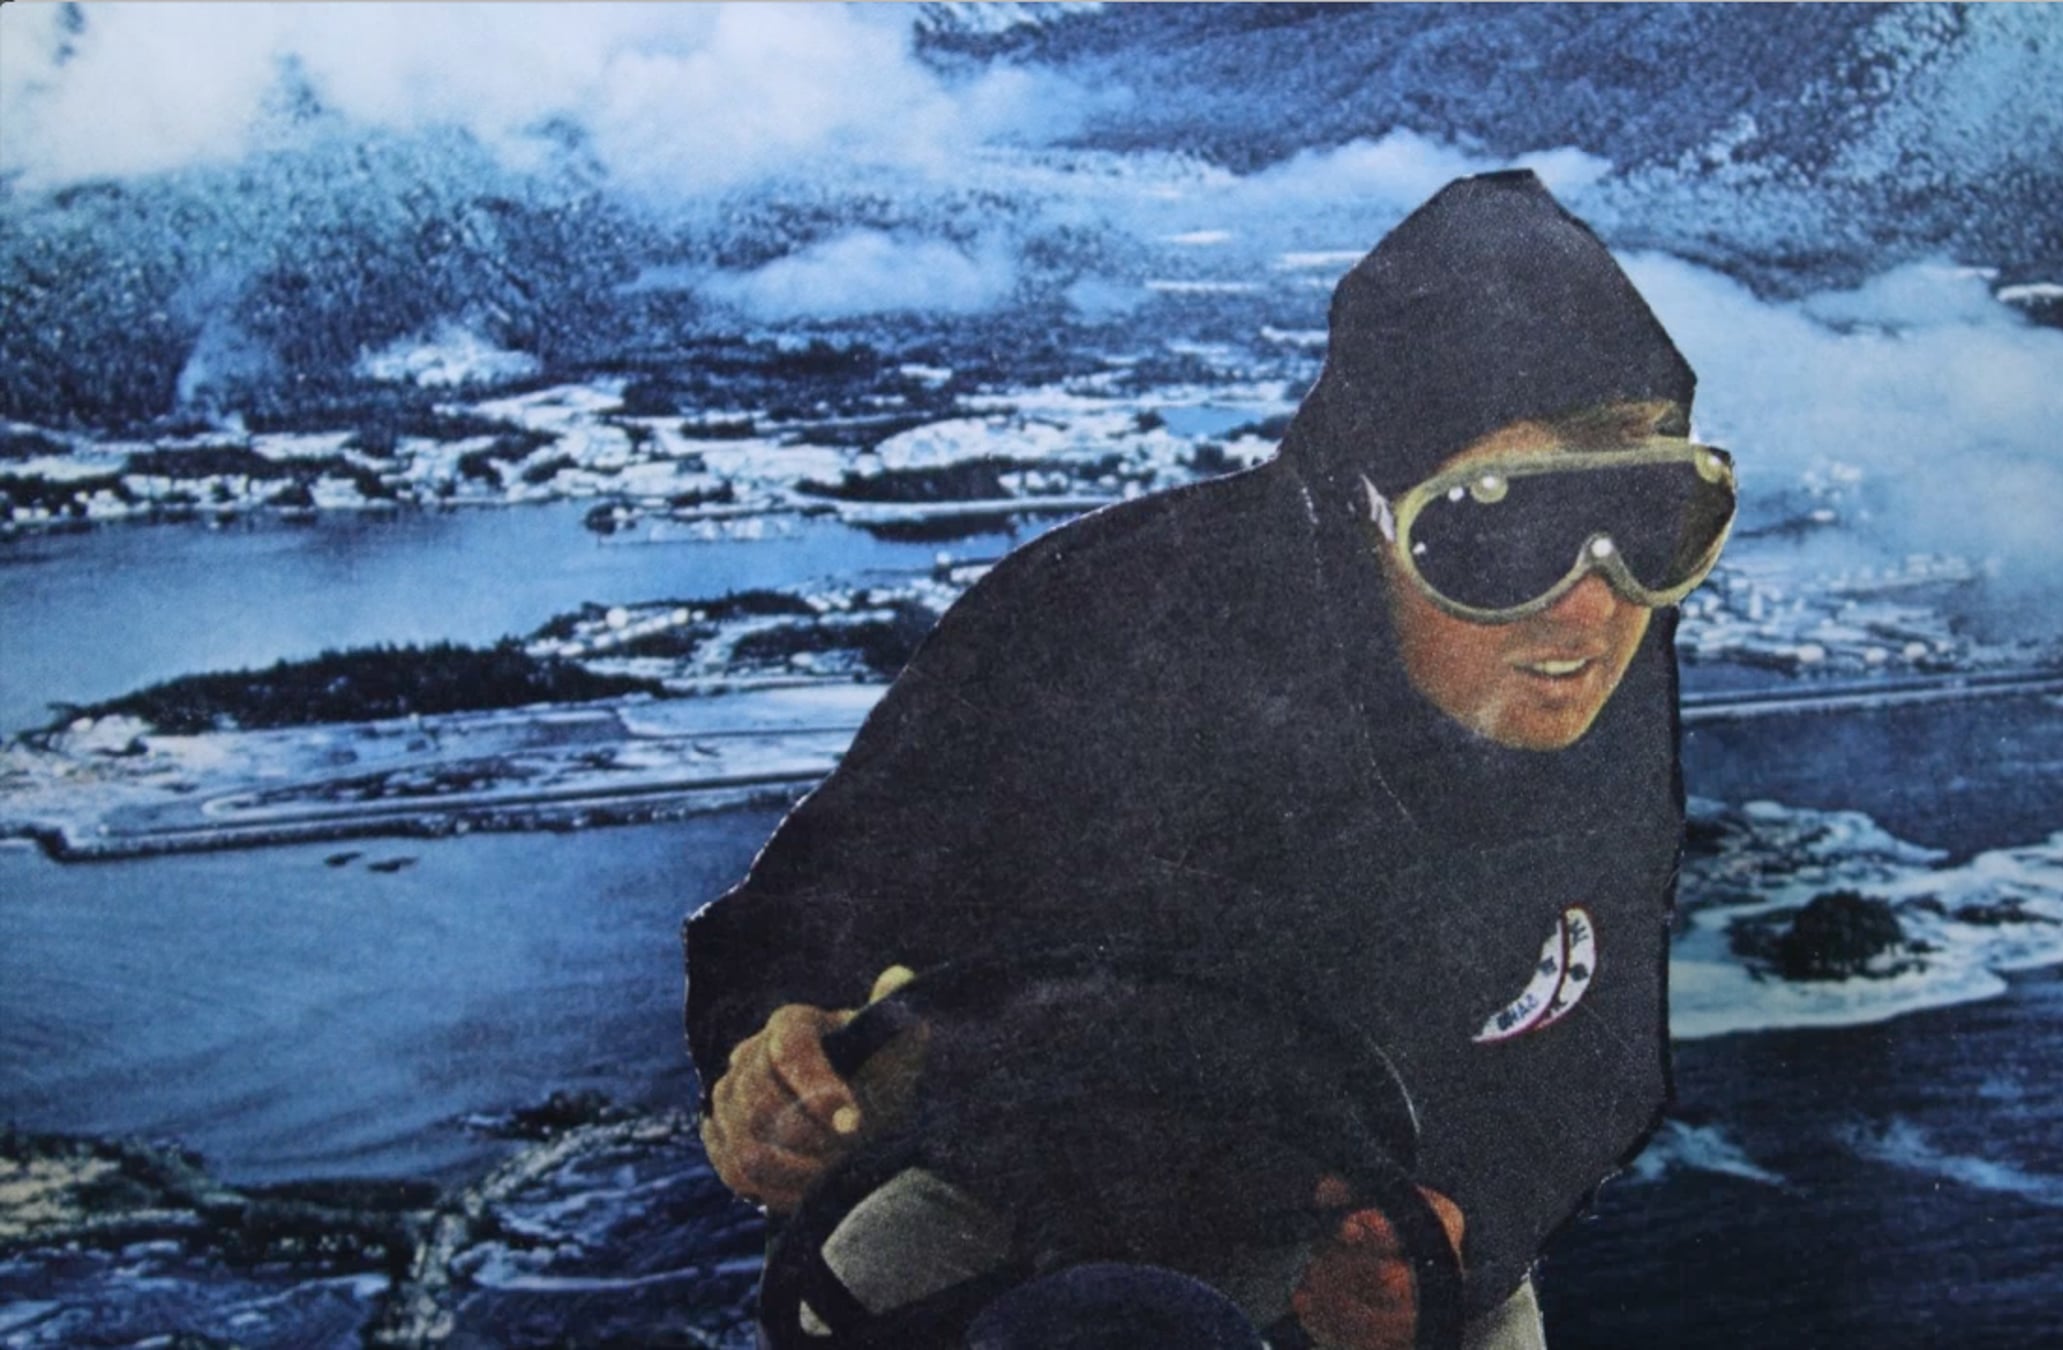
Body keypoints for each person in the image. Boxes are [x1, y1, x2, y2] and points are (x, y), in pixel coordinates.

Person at [685, 170, 1735, 1350]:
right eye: (1500, 527)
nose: (1593, 610)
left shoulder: (1596, 669)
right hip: (1028, 1193)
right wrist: (771, 1053)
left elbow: (1598, 1051)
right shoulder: (1086, 623)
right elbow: (812, 899)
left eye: (1654, 515)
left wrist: (1462, 1234)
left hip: (1370, 1225)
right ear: (1362, 510)